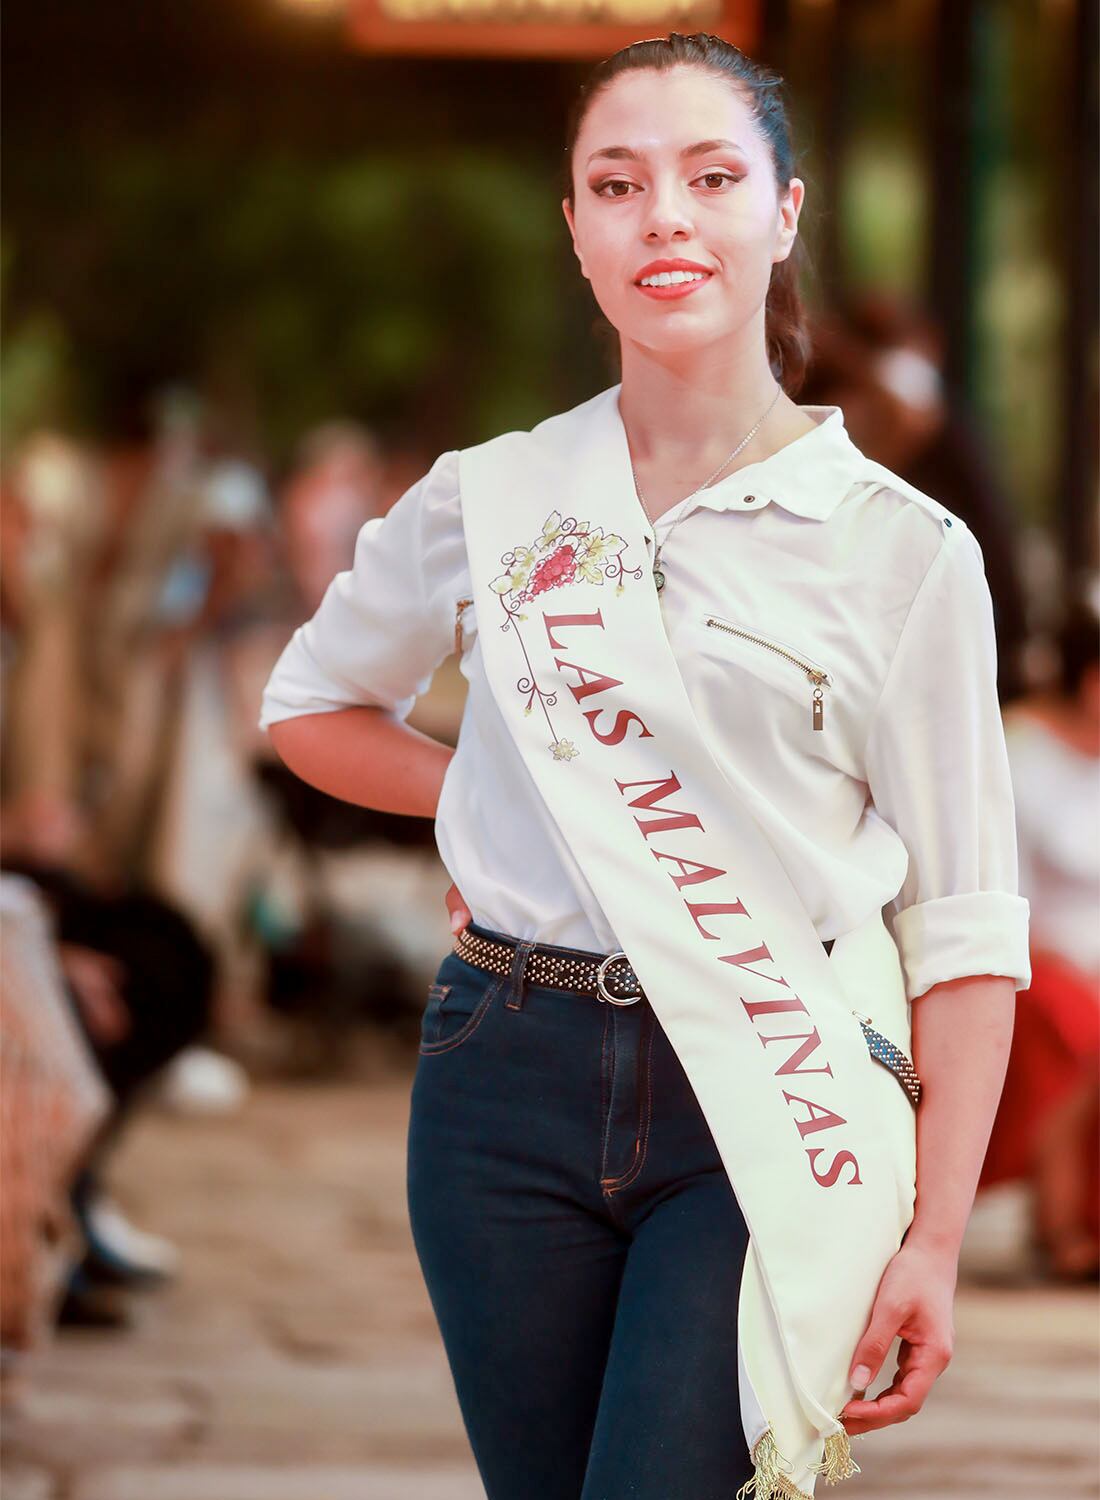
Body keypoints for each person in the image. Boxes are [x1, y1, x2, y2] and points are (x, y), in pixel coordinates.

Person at [258, 33, 1030, 1500]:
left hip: (769, 1078)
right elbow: (313, 707)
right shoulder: (490, 499)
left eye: (711, 176)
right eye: (618, 185)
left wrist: (934, 1241)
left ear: (784, 213)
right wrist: (503, 801)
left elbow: (970, 926)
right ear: (575, 229)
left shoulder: (904, 551)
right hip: (504, 1071)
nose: (663, 216)